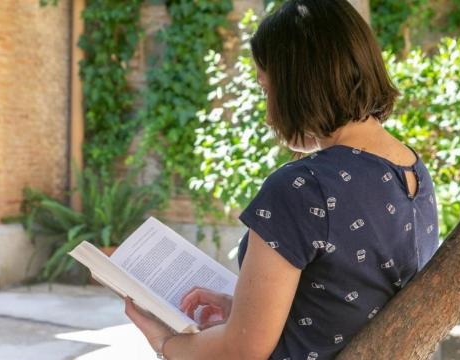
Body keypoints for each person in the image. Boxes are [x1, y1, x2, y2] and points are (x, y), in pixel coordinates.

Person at [124, 0, 440, 359]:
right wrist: (241, 310)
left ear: (298, 84)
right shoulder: (414, 170)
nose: (266, 110)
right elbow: (343, 305)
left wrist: (165, 342)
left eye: (265, 88)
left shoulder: (302, 188)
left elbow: (241, 351)